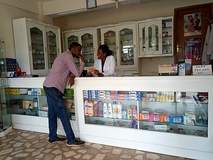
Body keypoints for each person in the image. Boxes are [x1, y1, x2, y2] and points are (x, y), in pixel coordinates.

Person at [43, 42, 85, 146]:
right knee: (63, 114)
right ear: (73, 48)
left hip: (48, 86)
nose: (79, 53)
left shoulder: (64, 55)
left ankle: (52, 137)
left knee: (52, 113)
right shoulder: (68, 56)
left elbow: (70, 71)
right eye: (78, 50)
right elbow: (77, 73)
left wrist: (71, 75)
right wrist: (82, 62)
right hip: (53, 88)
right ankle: (71, 140)